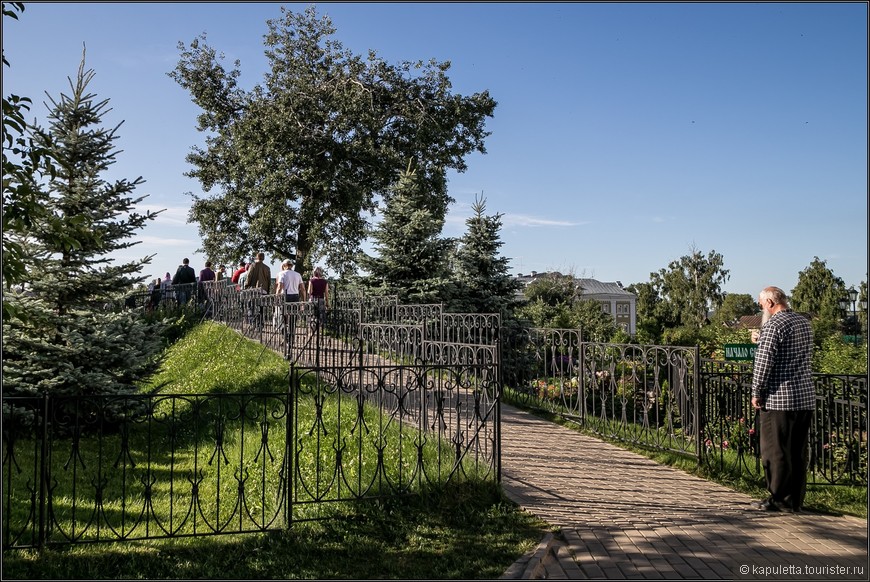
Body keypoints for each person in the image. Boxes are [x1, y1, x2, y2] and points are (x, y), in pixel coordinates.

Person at [750, 286, 814, 513]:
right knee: (797, 451)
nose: (760, 309)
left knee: (775, 450)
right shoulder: (803, 322)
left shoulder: (773, 325)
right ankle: (795, 499)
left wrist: (756, 391)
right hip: (804, 396)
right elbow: (791, 354)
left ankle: (778, 498)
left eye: (760, 304)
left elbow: (764, 363)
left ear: (769, 302)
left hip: (779, 399)